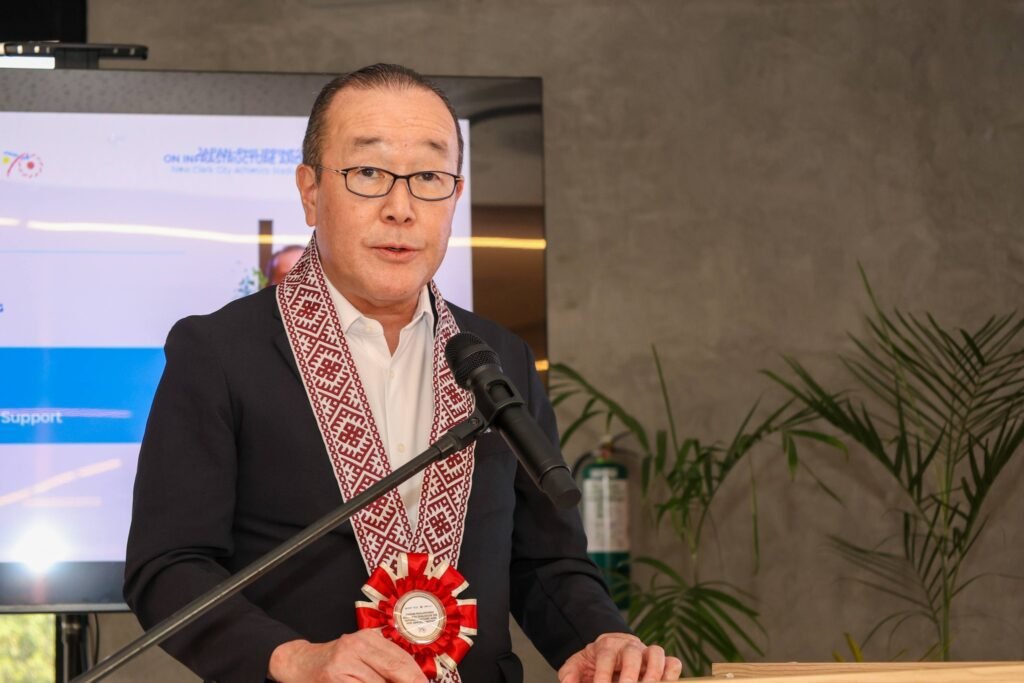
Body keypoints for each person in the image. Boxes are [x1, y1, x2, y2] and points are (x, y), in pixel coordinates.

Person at [124, 63, 683, 683]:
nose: (401, 208)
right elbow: (168, 567)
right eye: (368, 173)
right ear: (309, 191)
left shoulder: (497, 357)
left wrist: (599, 639)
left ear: (456, 196)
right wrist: (295, 659)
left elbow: (546, 561)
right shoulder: (220, 352)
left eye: (429, 177)